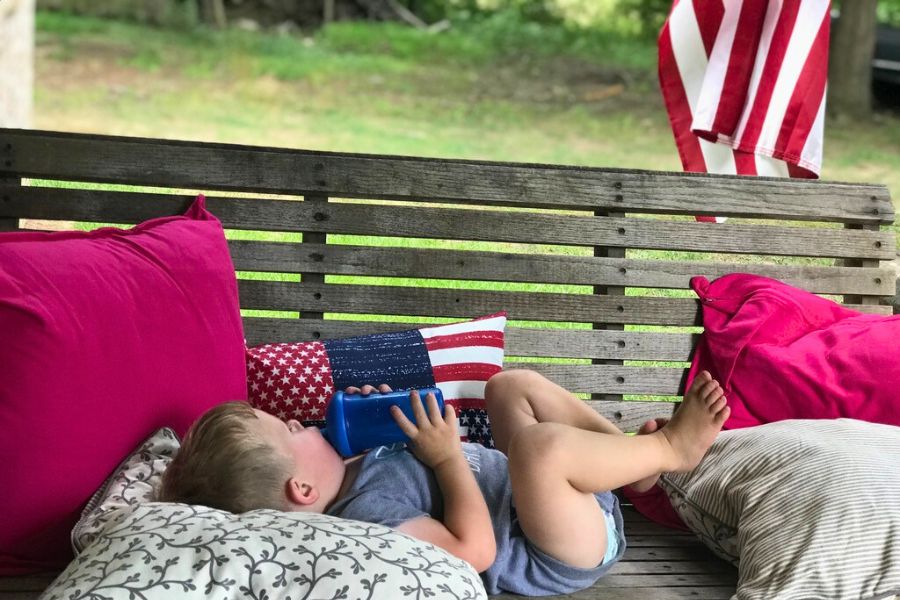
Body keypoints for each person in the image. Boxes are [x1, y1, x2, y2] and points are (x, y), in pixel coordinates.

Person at [159, 369, 729, 596]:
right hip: (556, 546)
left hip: (550, 494)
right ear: (302, 492)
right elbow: (473, 553)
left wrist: (371, 424)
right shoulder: (367, 521)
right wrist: (447, 457)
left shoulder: (348, 463)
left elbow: (393, 454)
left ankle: (637, 472)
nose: (304, 420)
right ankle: (669, 450)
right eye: (291, 428)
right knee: (536, 447)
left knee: (509, 388)